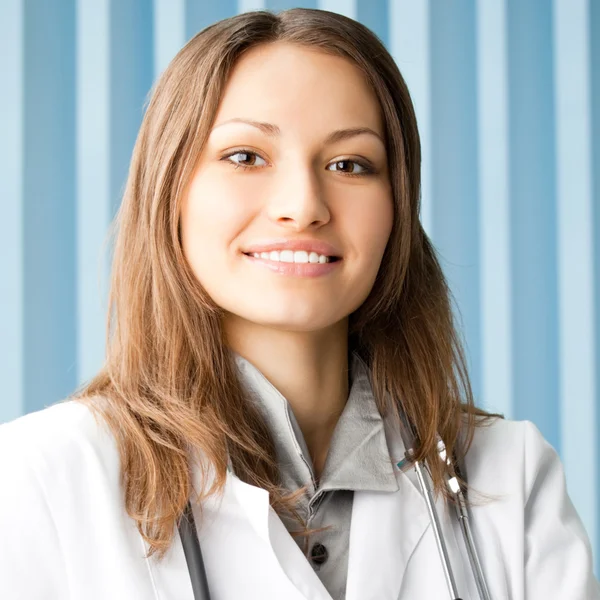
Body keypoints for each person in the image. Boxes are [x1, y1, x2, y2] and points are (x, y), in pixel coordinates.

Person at [0, 7, 598, 599]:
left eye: (349, 164)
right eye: (245, 156)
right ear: (170, 194)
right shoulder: (40, 479)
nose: (303, 204)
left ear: (398, 207)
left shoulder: (507, 478)